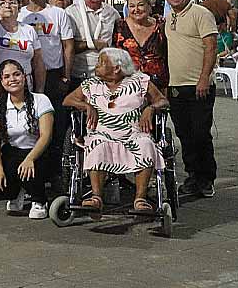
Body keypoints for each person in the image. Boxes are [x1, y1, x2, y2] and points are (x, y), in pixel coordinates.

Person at [63, 49, 169, 214]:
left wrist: (151, 108)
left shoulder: (140, 81)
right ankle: (96, 198)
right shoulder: (91, 84)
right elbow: (68, 100)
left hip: (133, 133)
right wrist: (86, 105)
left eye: (101, 62)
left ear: (117, 68)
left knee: (146, 144)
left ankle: (140, 199)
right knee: (96, 145)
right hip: (101, 133)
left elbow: (163, 100)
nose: (96, 66)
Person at [17, 0, 74, 186]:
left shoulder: (58, 14)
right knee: (27, 127)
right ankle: (29, 174)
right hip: (24, 76)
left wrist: (66, 76)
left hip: (53, 75)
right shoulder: (19, 14)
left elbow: (68, 46)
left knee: (55, 127)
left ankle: (55, 173)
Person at [163, 0, 218, 198]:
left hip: (199, 86)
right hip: (176, 87)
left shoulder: (201, 13)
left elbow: (211, 48)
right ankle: (193, 176)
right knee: (184, 135)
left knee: (200, 134)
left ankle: (207, 179)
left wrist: (204, 78)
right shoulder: (169, 17)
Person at [0, 60, 54, 220]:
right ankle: (16, 192)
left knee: (29, 167)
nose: (12, 79)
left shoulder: (41, 100)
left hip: (38, 152)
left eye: (16, 74)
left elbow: (46, 136)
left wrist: (30, 159)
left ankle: (39, 200)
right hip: (13, 152)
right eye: (7, 77)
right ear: (1, 81)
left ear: (24, 76)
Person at [66, 0, 120, 86]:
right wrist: (91, 44)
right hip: (78, 76)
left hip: (106, 77)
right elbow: (66, 47)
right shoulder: (70, 13)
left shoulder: (112, 14)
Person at [113, 0, 168, 92]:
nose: (136, 9)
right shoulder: (118, 26)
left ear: (149, 6)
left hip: (158, 87)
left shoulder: (161, 26)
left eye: (141, 5)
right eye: (132, 6)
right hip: (128, 88)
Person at [0, 0, 45, 92]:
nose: (7, 6)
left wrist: (40, 90)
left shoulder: (29, 30)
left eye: (12, 2)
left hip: (25, 85)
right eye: (2, 3)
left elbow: (38, 62)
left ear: (19, 6)